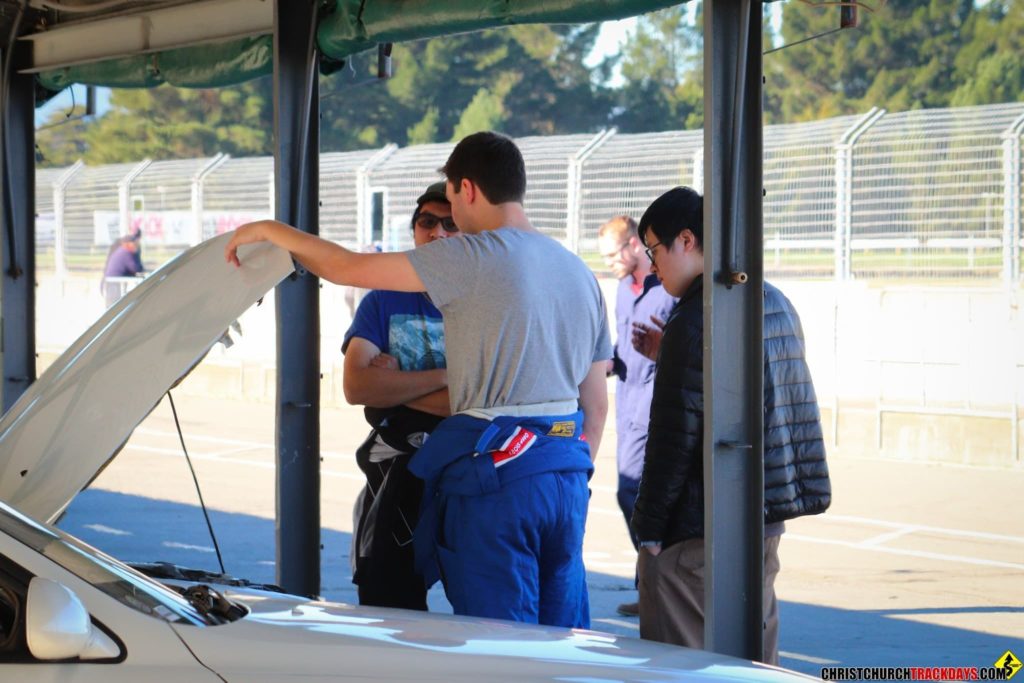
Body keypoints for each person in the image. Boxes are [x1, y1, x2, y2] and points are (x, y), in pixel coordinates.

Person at [225, 131, 611, 629]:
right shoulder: (580, 273)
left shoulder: (474, 255)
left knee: (501, 648)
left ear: (467, 188)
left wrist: (273, 230)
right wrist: (569, 480)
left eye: (451, 201)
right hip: (567, 476)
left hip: (497, 481)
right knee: (564, 643)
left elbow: (345, 267)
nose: (453, 219)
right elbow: (596, 407)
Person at [629, 186, 831, 664]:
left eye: (654, 251)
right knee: (754, 660)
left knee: (680, 666)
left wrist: (650, 531)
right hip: (761, 521)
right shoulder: (771, 298)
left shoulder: (695, 318)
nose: (652, 266)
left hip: (697, 532)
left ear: (686, 240)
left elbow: (674, 438)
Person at [342, 181, 459, 610]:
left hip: (469, 464)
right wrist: (447, 376)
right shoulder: (382, 301)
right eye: (426, 222)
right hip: (398, 469)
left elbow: (475, 401)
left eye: (450, 223)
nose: (437, 233)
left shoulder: (481, 302)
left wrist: (393, 393)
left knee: (488, 612)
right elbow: (357, 386)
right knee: (383, 589)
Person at [596, 215, 676, 618]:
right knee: (630, 495)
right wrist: (605, 361)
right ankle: (650, 587)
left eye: (613, 254)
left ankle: (658, 589)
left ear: (632, 246)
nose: (610, 262)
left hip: (657, 412)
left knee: (647, 499)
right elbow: (622, 345)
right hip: (628, 409)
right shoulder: (622, 292)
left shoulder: (669, 290)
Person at [101, 229, 144, 307]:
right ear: (128, 244)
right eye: (133, 242)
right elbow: (136, 268)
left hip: (113, 281)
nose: (135, 244)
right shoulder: (126, 252)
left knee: (115, 305)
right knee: (114, 307)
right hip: (113, 283)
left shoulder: (122, 250)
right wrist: (135, 253)